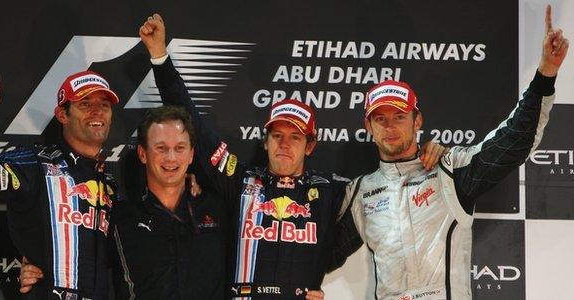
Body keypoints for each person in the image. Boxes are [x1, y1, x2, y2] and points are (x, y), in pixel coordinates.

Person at [139, 14, 446, 299]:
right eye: (277, 135)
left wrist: (428, 155)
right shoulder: (239, 180)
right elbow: (191, 122)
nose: (284, 144)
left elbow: (391, 181)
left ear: (310, 145)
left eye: (295, 137)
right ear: (265, 141)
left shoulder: (332, 191)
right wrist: (159, 57)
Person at [330, 5, 569, 300]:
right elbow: (318, 252)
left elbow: (513, 143)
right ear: (369, 126)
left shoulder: (449, 171)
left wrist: (545, 73)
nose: (390, 125)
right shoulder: (361, 193)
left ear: (417, 121)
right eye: (381, 118)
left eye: (400, 117)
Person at [0, 54, 119, 299]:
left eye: (104, 105)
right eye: (84, 104)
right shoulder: (34, 164)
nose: (97, 112)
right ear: (62, 115)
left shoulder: (111, 184)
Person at [109, 106, 227, 299]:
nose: (171, 157)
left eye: (180, 148)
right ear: (142, 153)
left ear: (191, 155)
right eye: (161, 148)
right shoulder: (121, 218)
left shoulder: (219, 210)